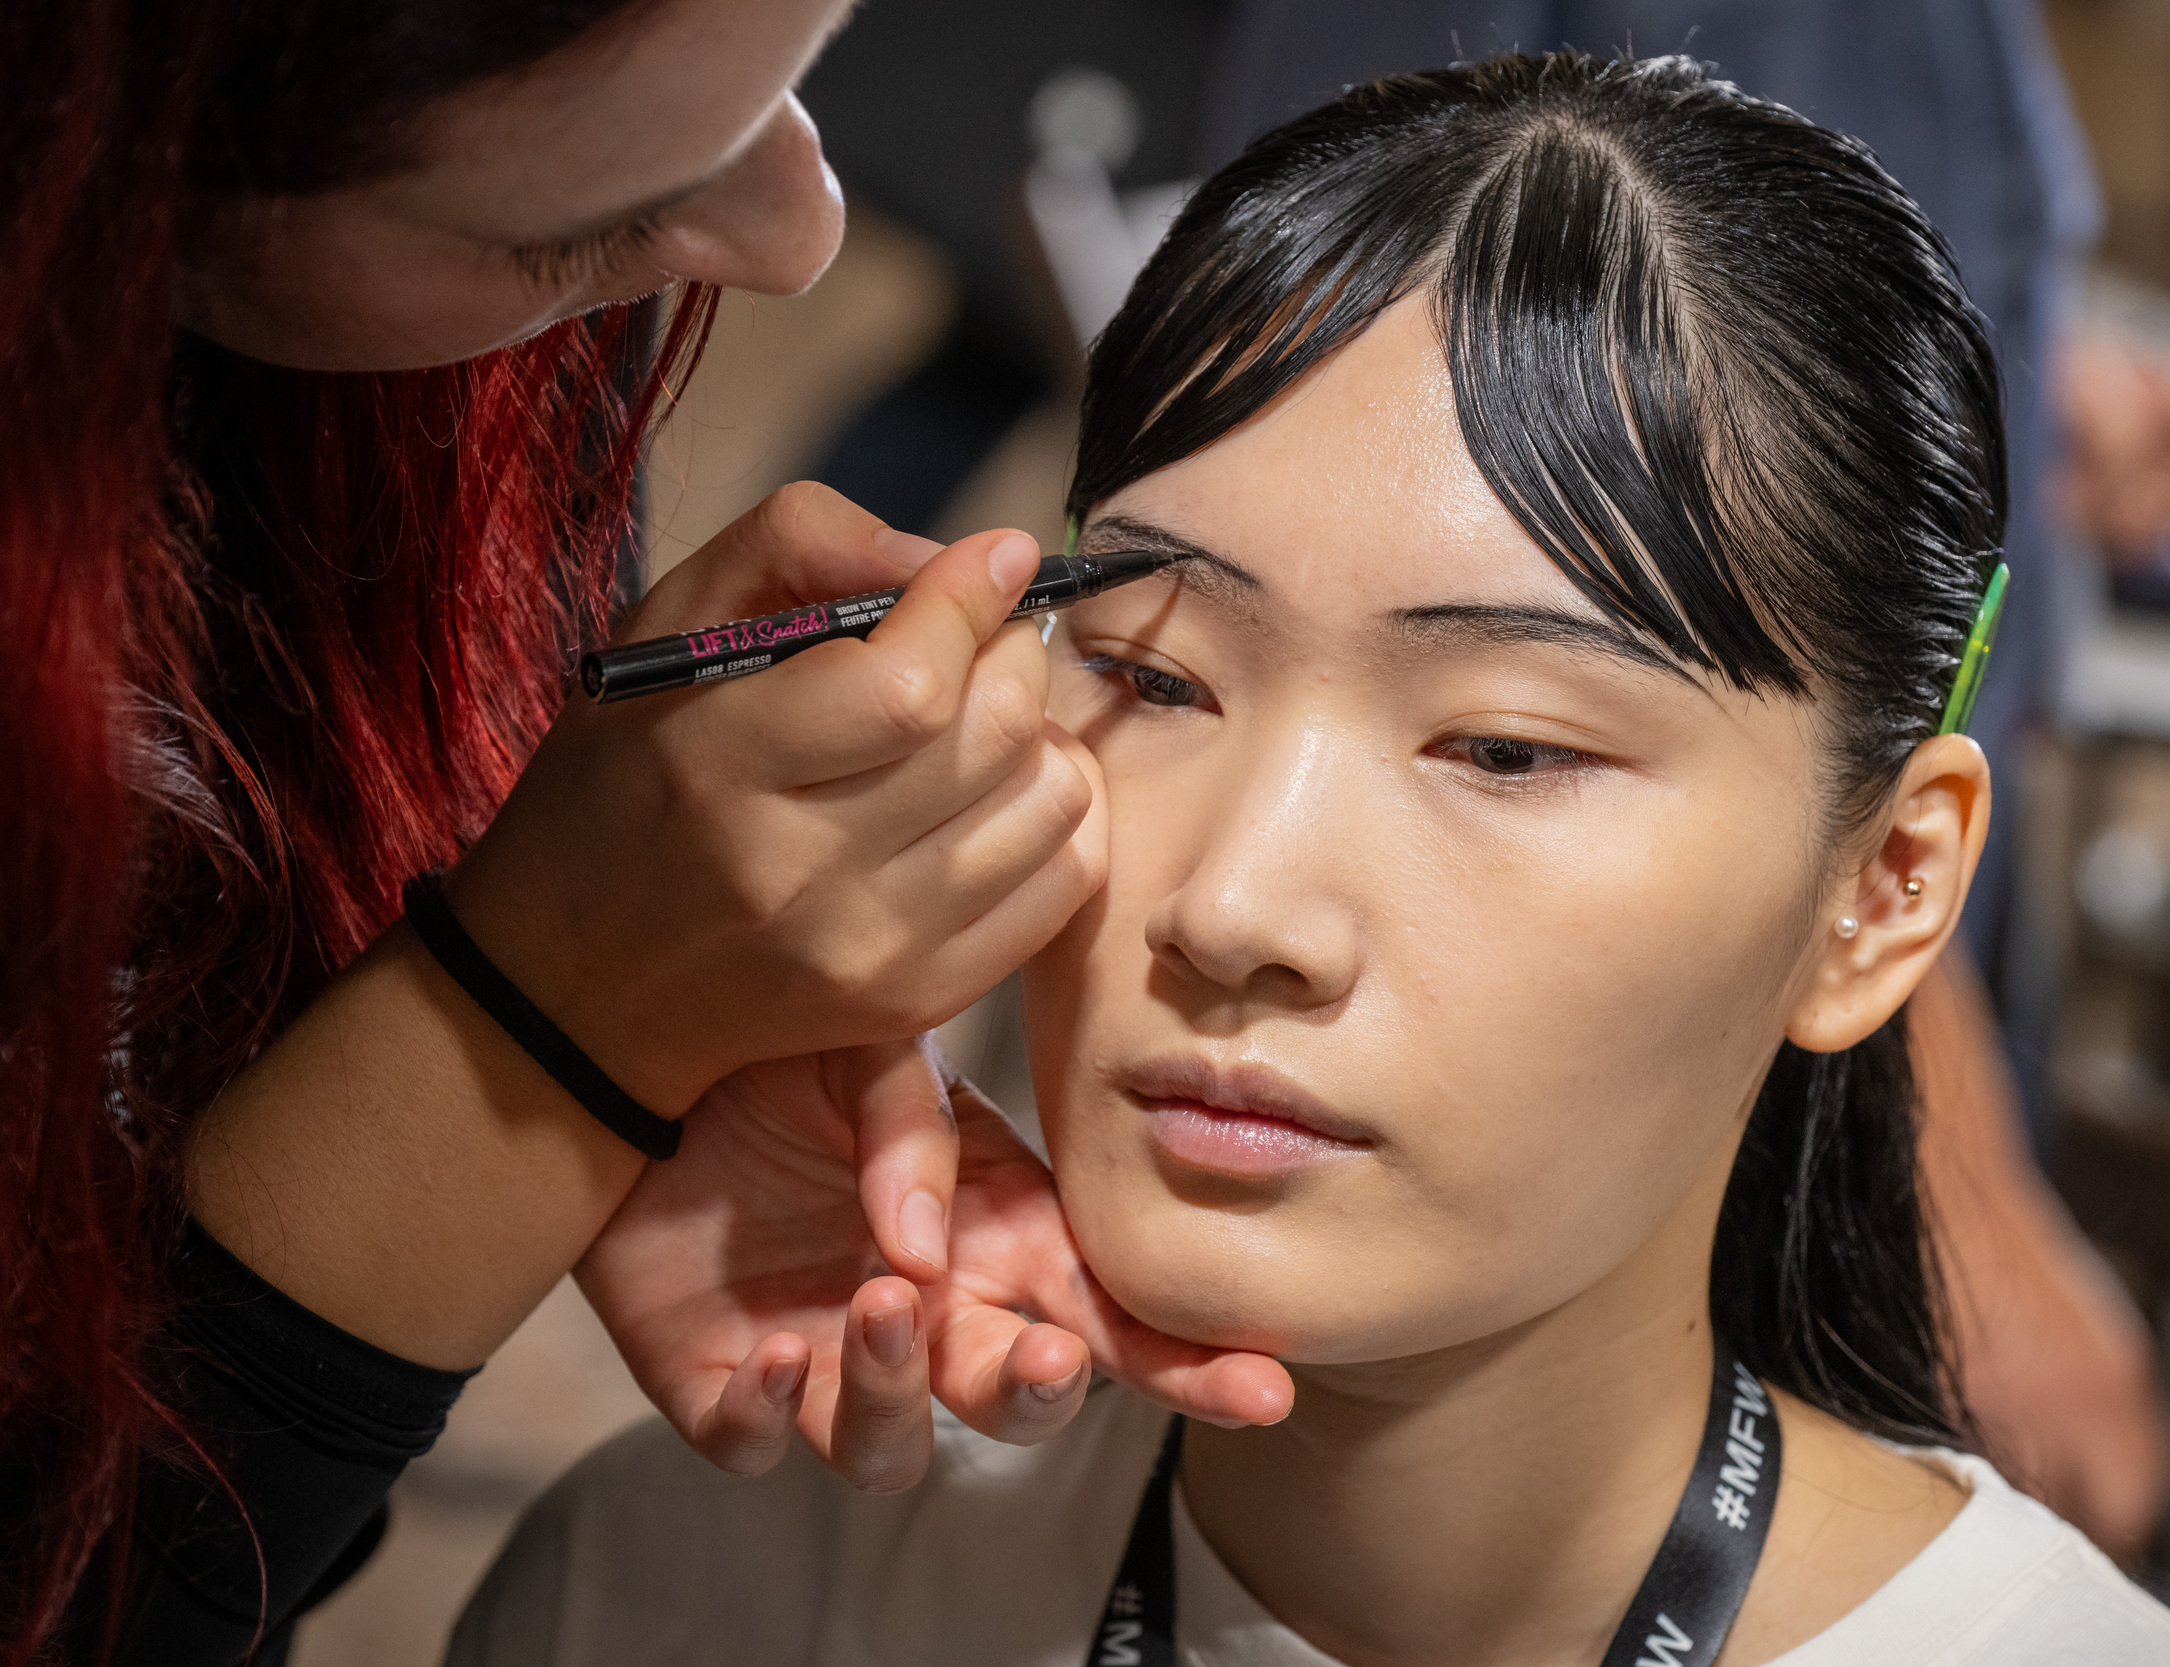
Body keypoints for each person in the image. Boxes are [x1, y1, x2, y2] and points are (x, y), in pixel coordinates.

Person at [452, 55, 2170, 1666]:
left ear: (1888, 888)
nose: (1235, 908)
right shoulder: (674, 1597)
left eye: (1508, 747)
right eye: (1149, 677)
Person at [1, 3, 1285, 1662]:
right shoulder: (622, 1595)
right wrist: (544, 1026)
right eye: (587, 222)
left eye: (1506, 746)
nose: (800, 235)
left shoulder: (428, 371)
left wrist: (632, 1010)